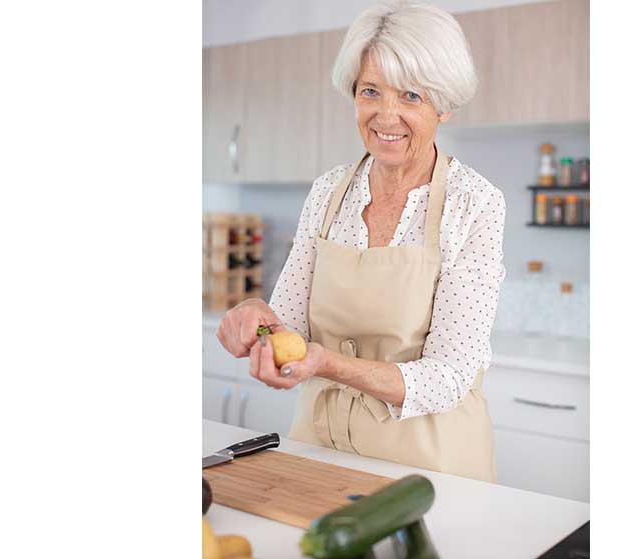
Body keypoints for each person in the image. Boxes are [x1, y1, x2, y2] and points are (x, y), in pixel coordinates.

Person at [216, 0, 506, 482]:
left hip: (428, 470)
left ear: (445, 105)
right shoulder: (329, 192)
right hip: (320, 451)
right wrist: (255, 318)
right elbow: (289, 324)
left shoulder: (474, 204)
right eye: (371, 91)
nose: (385, 115)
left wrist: (328, 364)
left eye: (411, 95)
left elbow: (450, 375)